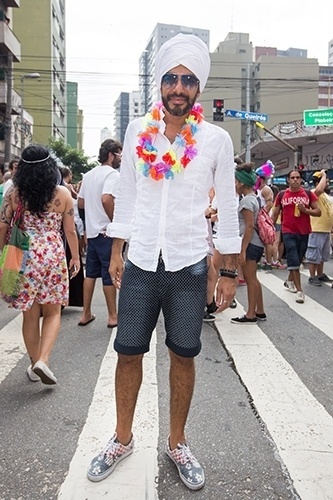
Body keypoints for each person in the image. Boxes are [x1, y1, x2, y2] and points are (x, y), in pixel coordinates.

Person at [87, 33, 241, 491]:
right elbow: (130, 194)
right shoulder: (138, 131)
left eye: (188, 80)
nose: (178, 87)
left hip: (190, 265)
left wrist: (229, 271)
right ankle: (122, 437)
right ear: (160, 84)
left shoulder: (215, 140)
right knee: (128, 353)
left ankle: (177, 443)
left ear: (198, 87)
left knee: (183, 355)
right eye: (171, 78)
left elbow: (229, 205)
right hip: (139, 265)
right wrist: (117, 248)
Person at [0, 144, 80, 384]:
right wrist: (75, 257)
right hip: (53, 254)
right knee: (53, 311)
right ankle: (43, 360)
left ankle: (34, 361)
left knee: (30, 314)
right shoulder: (63, 194)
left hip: (23, 254)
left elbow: (3, 226)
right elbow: (70, 231)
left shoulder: (13, 193)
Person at [77, 138, 121, 328]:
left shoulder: (88, 175)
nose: (120, 158)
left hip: (93, 232)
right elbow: (106, 199)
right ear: (111, 155)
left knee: (90, 274)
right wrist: (115, 222)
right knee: (108, 273)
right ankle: (112, 316)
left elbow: (80, 203)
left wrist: (87, 226)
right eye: (119, 154)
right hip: (106, 232)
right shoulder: (112, 175)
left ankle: (85, 313)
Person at [271, 169, 320, 304]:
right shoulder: (282, 195)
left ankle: (289, 281)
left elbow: (318, 211)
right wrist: (270, 228)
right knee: (292, 257)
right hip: (288, 231)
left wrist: (306, 210)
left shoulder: (308, 194)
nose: (295, 180)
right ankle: (300, 291)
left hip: (304, 231)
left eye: (298, 177)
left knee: (297, 260)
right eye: (292, 178)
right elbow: (275, 213)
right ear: (288, 180)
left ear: (301, 179)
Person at [231, 163, 266, 324]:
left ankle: (251, 314)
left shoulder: (246, 202)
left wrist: (243, 250)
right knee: (254, 278)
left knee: (250, 279)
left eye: (236, 181)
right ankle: (259, 310)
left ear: (243, 183)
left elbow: (250, 226)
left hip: (250, 244)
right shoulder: (254, 198)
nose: (235, 184)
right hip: (256, 244)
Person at [305, 170, 333, 286]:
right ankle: (312, 276)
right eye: (325, 181)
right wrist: (324, 175)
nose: (327, 183)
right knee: (314, 254)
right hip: (316, 229)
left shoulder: (327, 196)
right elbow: (319, 190)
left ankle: (320, 274)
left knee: (322, 255)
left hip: (326, 230)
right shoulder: (313, 192)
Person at [254, 161, 275, 272]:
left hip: (265, 218)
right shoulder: (258, 190)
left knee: (268, 242)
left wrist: (263, 216)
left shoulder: (266, 190)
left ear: (260, 178)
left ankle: (269, 262)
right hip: (260, 218)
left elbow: (270, 203)